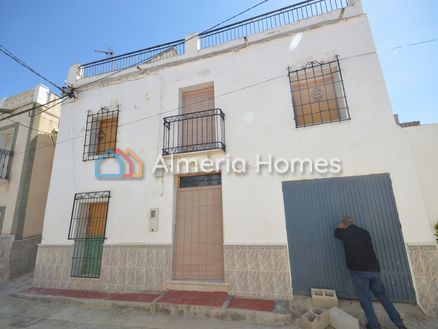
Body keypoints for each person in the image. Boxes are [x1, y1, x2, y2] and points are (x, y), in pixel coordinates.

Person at [334, 215, 407, 329]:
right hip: (374, 269)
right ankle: (399, 323)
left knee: (365, 300)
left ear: (345, 224)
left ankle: (374, 326)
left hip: (359, 271)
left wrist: (340, 227)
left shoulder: (345, 233)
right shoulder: (365, 232)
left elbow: (336, 233)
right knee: (383, 297)